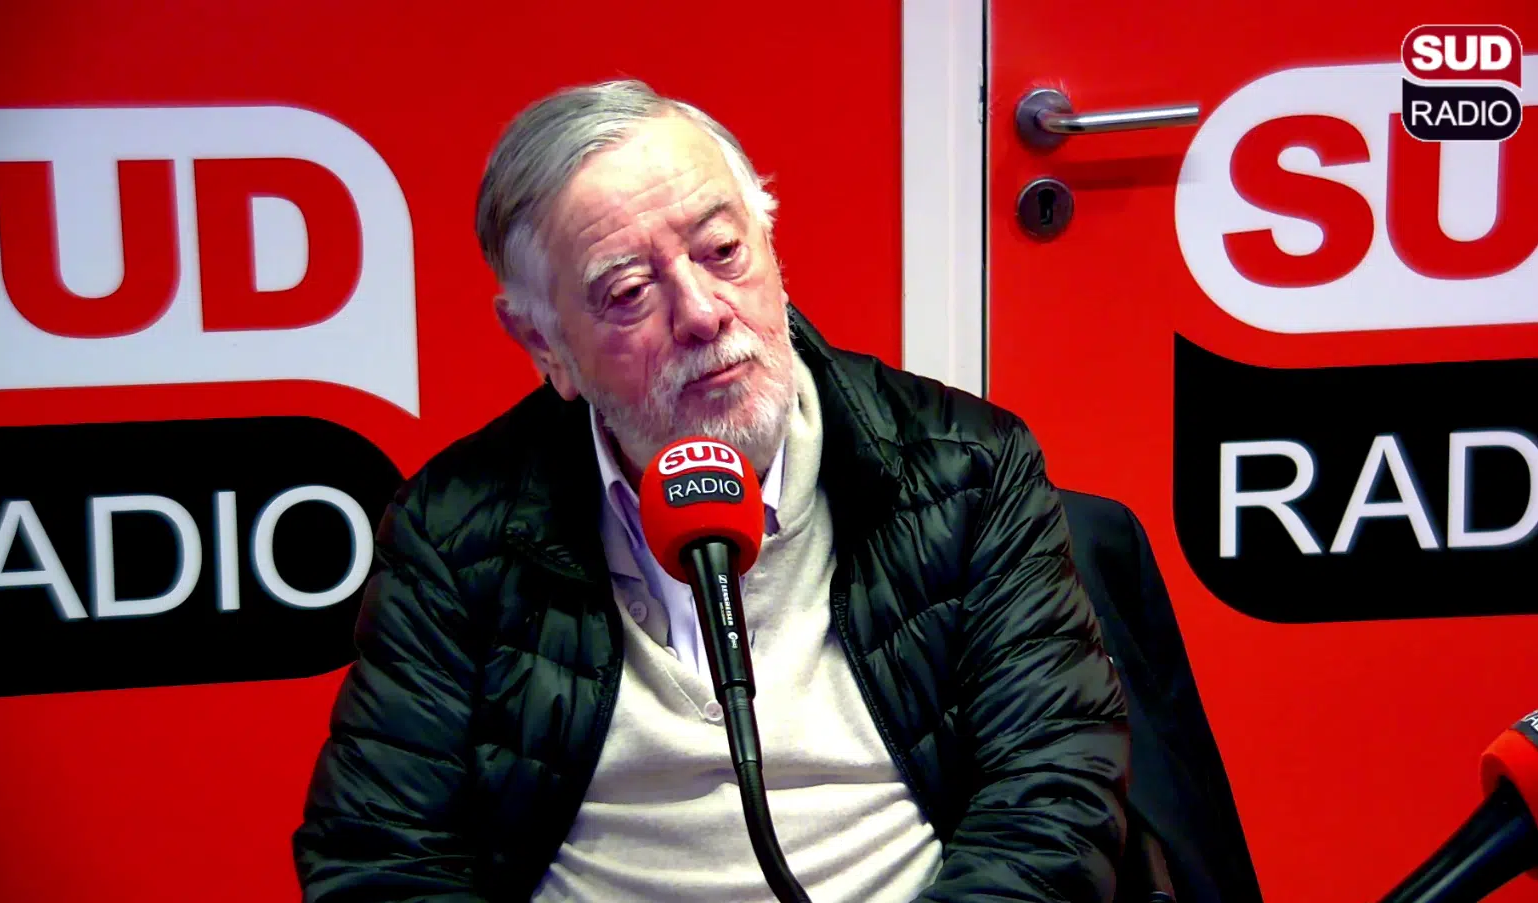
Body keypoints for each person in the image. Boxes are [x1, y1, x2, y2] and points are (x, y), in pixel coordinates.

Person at [292, 79, 1131, 903]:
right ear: (543, 343)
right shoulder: (453, 530)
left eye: (723, 251)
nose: (702, 312)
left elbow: (1053, 799)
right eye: (629, 291)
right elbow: (378, 856)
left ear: (770, 245)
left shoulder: (966, 470)